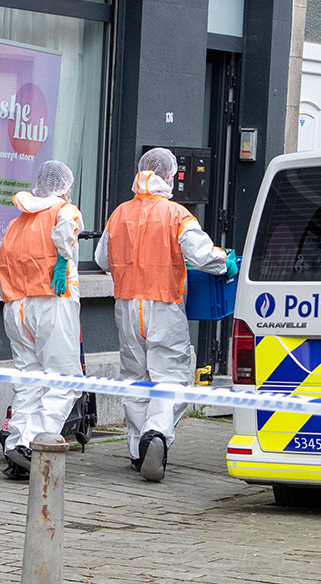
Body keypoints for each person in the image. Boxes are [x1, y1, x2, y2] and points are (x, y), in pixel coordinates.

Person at [96, 147, 233, 483]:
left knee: (135, 378)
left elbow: (102, 259)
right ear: (169, 176)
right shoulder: (175, 214)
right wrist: (224, 261)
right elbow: (203, 256)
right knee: (169, 376)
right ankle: (155, 435)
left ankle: (135, 450)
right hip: (164, 305)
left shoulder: (119, 214)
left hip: (127, 306)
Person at [0, 159, 83, 479]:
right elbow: (65, 236)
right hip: (52, 303)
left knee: (29, 382)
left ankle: (16, 446)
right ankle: (35, 444)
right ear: (64, 187)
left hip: (16, 307)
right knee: (64, 380)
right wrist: (64, 259)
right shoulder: (65, 210)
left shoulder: (17, 222)